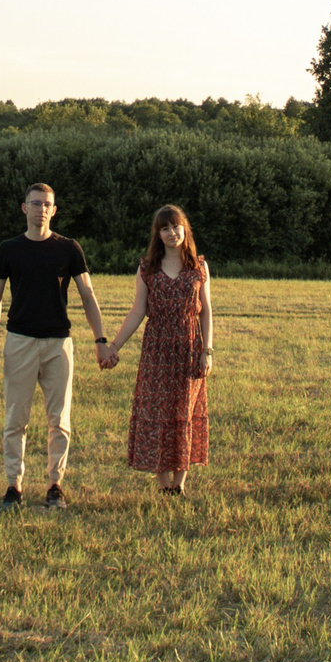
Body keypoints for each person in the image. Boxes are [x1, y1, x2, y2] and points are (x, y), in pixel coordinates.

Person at [0, 182, 110, 511]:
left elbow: (87, 295)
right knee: (15, 419)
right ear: (24, 208)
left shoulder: (69, 249)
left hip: (59, 343)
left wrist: (100, 340)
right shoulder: (8, 249)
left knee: (60, 420)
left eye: (47, 204)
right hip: (20, 341)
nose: (41, 209)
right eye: (35, 203)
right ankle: (14, 487)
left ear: (54, 211)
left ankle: (55, 485)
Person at [102, 203, 213, 494]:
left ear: (185, 228)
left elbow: (206, 312)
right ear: (158, 234)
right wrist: (114, 345)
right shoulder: (146, 268)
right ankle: (164, 485)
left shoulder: (199, 267)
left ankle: (180, 483)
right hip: (156, 350)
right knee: (158, 413)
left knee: (184, 413)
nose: (172, 232)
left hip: (190, 348)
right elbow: (138, 312)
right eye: (165, 228)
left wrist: (208, 350)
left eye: (176, 226)